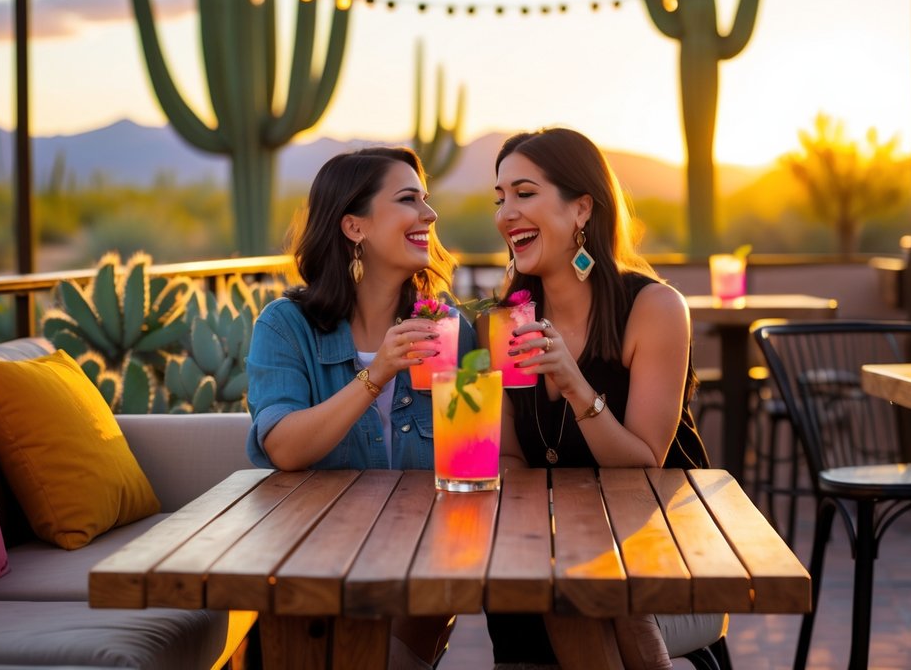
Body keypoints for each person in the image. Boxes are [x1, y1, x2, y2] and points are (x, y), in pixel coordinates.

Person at [482, 128, 722, 670]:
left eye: (524, 193)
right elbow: (508, 458)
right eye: (500, 199)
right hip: (548, 542)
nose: (506, 214)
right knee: (541, 577)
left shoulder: (654, 308)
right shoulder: (502, 324)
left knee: (569, 579)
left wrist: (573, 384)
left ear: (581, 209)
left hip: (657, 535)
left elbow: (642, 464)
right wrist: (545, 526)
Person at [246, 146, 475, 669]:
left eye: (427, 199)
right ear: (355, 227)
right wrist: (377, 373)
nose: (429, 215)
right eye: (408, 200)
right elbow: (283, 445)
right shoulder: (285, 326)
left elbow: (473, 459)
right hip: (315, 572)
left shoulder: (449, 329)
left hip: (423, 574)